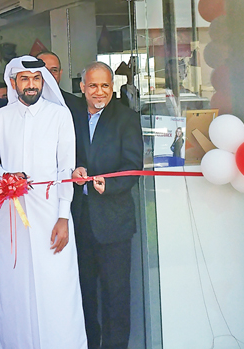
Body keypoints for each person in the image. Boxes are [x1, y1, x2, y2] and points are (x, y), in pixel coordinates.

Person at [0, 57, 88, 349]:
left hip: (50, 214)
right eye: (25, 79)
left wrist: (63, 216)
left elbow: (66, 170)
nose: (31, 84)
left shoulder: (59, 116)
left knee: (55, 286)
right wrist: (3, 175)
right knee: (14, 285)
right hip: (10, 216)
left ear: (44, 81)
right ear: (14, 82)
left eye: (36, 79)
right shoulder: (1, 117)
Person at [70, 62, 144, 349]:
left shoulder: (126, 118)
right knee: (84, 294)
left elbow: (133, 166)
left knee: (115, 296)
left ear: (112, 88)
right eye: (93, 86)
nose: (98, 92)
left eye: (104, 86)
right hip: (80, 220)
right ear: (83, 87)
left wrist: (109, 185)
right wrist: (75, 169)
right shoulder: (72, 116)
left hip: (114, 222)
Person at [39, 51, 87, 117]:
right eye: (44, 70)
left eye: (54, 70)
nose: (49, 75)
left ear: (60, 73)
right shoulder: (24, 103)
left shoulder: (76, 104)